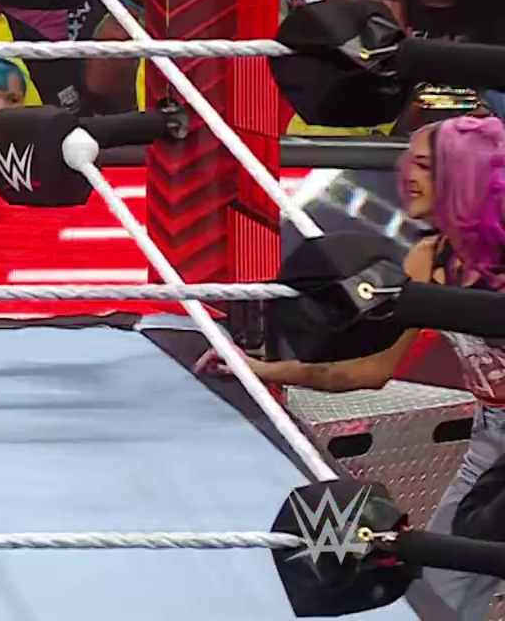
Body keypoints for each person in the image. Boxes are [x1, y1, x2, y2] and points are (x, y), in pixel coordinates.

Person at [199, 116, 505, 619]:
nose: (409, 176)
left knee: (454, 582)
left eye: (426, 166)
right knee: (444, 589)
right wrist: (262, 370)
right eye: (410, 162)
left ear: (463, 175)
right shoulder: (428, 259)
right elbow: (371, 370)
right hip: (488, 440)